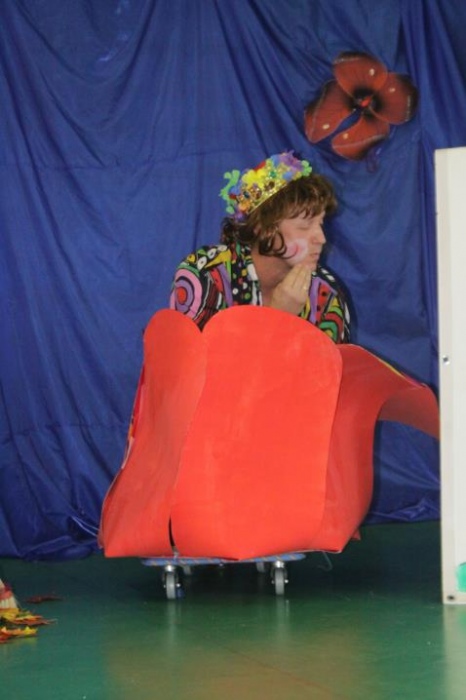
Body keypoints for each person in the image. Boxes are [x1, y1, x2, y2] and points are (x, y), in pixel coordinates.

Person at [170, 151, 350, 342]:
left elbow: (329, 361)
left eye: (320, 223)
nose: (321, 238)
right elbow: (195, 358)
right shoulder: (205, 276)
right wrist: (277, 316)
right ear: (262, 227)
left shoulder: (325, 293)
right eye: (304, 226)